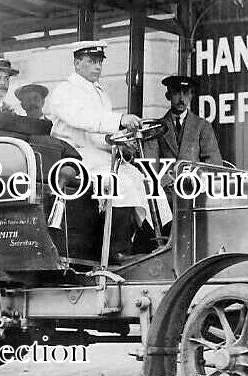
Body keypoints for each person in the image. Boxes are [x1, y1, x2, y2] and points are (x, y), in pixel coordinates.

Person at [45, 40, 171, 259]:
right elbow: (85, 120)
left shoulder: (100, 93)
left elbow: (97, 134)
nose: (97, 67)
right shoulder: (64, 91)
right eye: (92, 62)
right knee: (120, 184)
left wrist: (119, 141)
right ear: (77, 63)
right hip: (74, 157)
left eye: (100, 62)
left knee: (146, 181)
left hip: (97, 155)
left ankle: (157, 242)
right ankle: (116, 251)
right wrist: (120, 120)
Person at [143, 75, 222, 172]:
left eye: (185, 93)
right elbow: (150, 168)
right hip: (165, 185)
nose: (181, 99)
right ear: (168, 96)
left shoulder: (202, 127)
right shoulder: (155, 129)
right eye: (176, 93)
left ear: (191, 96)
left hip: (194, 184)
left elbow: (214, 166)